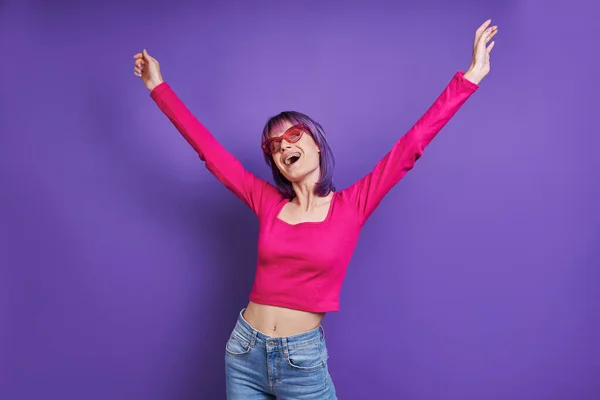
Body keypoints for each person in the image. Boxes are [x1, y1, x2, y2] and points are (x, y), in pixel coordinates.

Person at [132, 19, 497, 400]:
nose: (283, 146)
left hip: (301, 362)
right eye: (273, 145)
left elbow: (412, 145)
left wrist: (470, 76)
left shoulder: (353, 205)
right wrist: (158, 87)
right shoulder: (267, 202)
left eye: (293, 135)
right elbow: (209, 151)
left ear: (315, 143)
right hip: (243, 353)